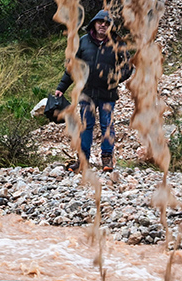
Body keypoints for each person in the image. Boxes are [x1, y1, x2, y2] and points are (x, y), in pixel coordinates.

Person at [54, 10, 132, 172]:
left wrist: (115, 78)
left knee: (107, 125)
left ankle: (107, 159)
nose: (103, 25)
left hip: (108, 93)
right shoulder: (83, 42)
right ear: (94, 24)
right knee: (86, 126)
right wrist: (61, 87)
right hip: (87, 92)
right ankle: (83, 161)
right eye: (100, 22)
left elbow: (128, 66)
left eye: (106, 23)